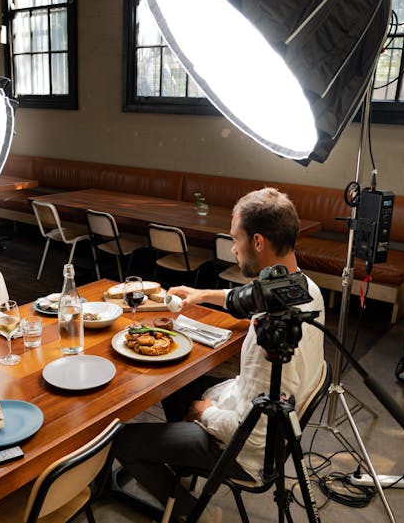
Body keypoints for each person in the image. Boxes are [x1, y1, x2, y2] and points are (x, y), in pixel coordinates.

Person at [115, 188, 325, 523]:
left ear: (258, 242)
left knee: (121, 442)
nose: (232, 248)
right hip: (258, 413)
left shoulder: (267, 337)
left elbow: (254, 432)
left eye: (235, 239)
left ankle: (191, 512)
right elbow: (246, 296)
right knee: (175, 384)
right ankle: (178, 468)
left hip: (245, 451)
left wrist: (206, 413)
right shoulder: (304, 287)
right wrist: (200, 295)